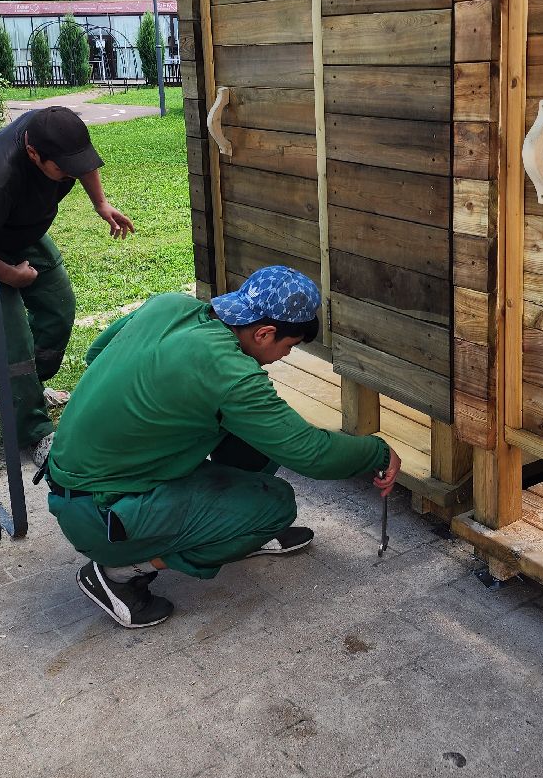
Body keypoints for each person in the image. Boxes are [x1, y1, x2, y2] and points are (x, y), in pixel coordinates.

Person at [44, 266, 402, 628]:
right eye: (289, 347)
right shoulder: (228, 374)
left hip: (81, 477)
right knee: (276, 506)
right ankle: (119, 573)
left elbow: (96, 353)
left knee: (258, 435)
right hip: (100, 514)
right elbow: (312, 454)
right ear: (264, 333)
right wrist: (378, 452)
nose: (286, 356)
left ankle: (227, 521)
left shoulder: (170, 306)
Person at [0, 105, 134, 466]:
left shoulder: (55, 131)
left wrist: (101, 204)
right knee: (12, 333)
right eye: (63, 169)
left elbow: (83, 163)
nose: (70, 174)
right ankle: (32, 432)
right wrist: (9, 275)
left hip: (22, 230)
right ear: (32, 153)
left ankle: (23, 391)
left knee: (59, 307)